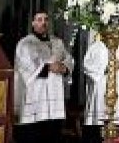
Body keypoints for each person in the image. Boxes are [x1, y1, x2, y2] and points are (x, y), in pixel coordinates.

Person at [13, 11, 73, 143]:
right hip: (36, 96)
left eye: (46, 19)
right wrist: (49, 67)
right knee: (34, 135)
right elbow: (25, 66)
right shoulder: (25, 43)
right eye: (39, 20)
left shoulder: (57, 42)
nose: (43, 23)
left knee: (53, 133)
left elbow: (68, 58)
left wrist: (64, 67)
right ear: (33, 23)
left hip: (54, 96)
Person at [82, 36, 119, 143]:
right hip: (99, 92)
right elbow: (86, 65)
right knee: (96, 127)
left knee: (114, 126)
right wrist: (104, 68)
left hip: (116, 93)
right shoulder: (95, 47)